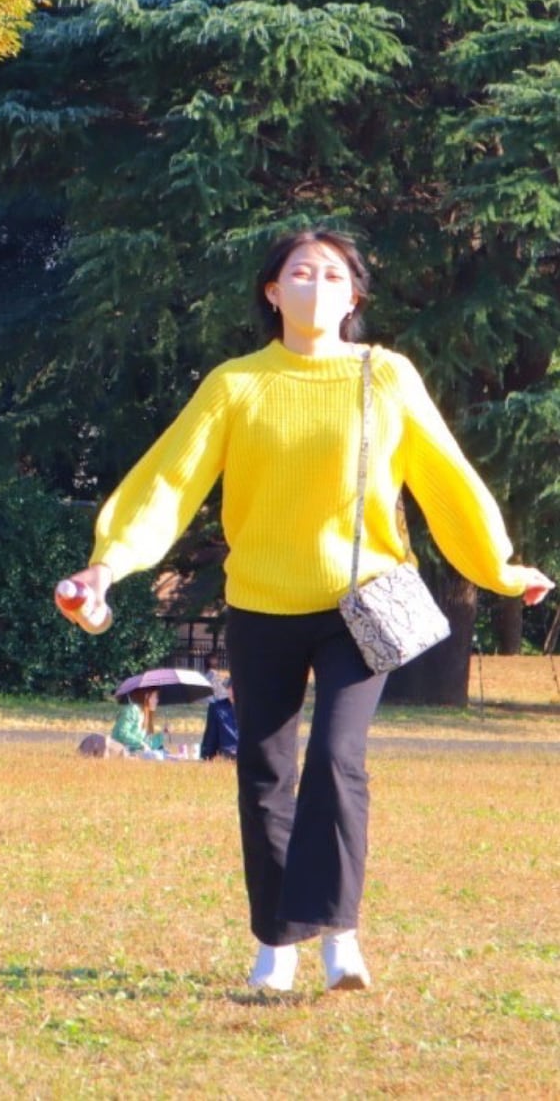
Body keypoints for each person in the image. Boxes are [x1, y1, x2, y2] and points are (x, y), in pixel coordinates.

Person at [56, 227, 554, 993]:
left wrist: (497, 567)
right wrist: (108, 563)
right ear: (272, 291)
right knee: (264, 770)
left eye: (331, 275)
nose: (315, 285)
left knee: (336, 759)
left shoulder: (386, 375)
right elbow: (169, 482)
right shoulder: (236, 384)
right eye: (299, 272)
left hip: (363, 604)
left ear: (353, 296)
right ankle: (277, 945)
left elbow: (446, 477)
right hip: (262, 605)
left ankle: (340, 936)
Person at [110, 687, 166, 756]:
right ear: (146, 696)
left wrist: (163, 734)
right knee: (157, 756)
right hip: (119, 751)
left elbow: (146, 742)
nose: (157, 701)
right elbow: (123, 734)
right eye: (155, 697)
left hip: (134, 751)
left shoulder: (144, 714)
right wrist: (140, 744)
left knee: (164, 754)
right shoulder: (132, 710)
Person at [200, 664, 238, 762]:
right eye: (230, 687)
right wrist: (206, 757)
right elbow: (210, 737)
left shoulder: (252, 710)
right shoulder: (217, 708)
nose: (233, 691)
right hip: (225, 756)